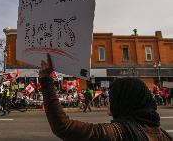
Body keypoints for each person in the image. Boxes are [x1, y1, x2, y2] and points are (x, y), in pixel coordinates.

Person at [39, 54, 172, 140]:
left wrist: (46, 81)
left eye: (113, 95)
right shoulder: (163, 135)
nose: (108, 99)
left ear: (123, 101)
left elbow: (63, 127)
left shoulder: (118, 133)